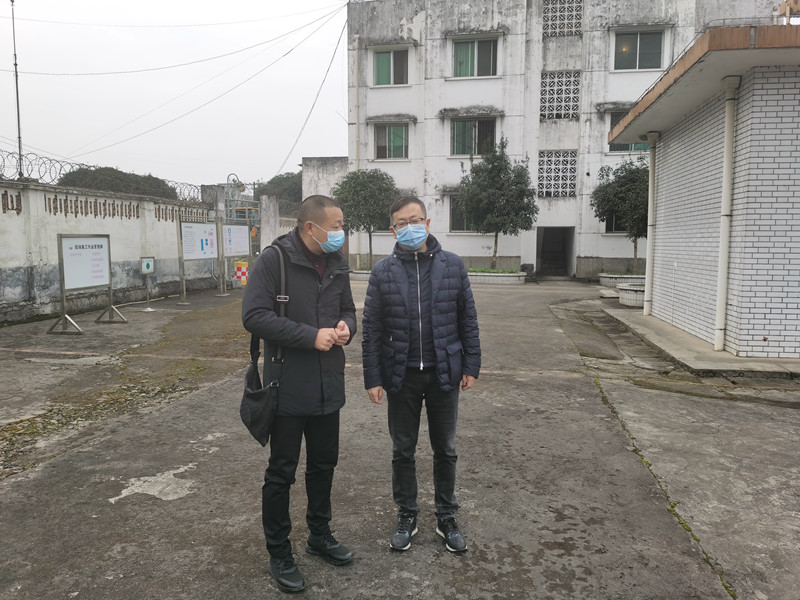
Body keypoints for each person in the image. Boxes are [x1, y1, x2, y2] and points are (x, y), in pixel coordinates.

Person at [242, 195, 356, 593]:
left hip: (329, 385)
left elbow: (348, 310)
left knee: (324, 465)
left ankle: (319, 535)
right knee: (281, 472)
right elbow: (254, 316)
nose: (341, 232)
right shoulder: (274, 261)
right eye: (336, 225)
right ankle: (279, 551)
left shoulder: (337, 263)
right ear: (311, 227)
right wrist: (311, 336)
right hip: (287, 387)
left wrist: (346, 327)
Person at [361, 196, 481, 553]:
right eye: (401, 223)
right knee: (403, 449)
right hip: (402, 375)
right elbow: (372, 329)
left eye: (415, 220)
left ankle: (446, 515)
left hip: (445, 371)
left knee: (446, 448)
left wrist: (471, 364)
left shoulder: (452, 265)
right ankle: (407, 514)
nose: (409, 227)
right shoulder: (382, 272)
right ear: (393, 229)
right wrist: (373, 377)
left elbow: (467, 318)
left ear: (427, 223)